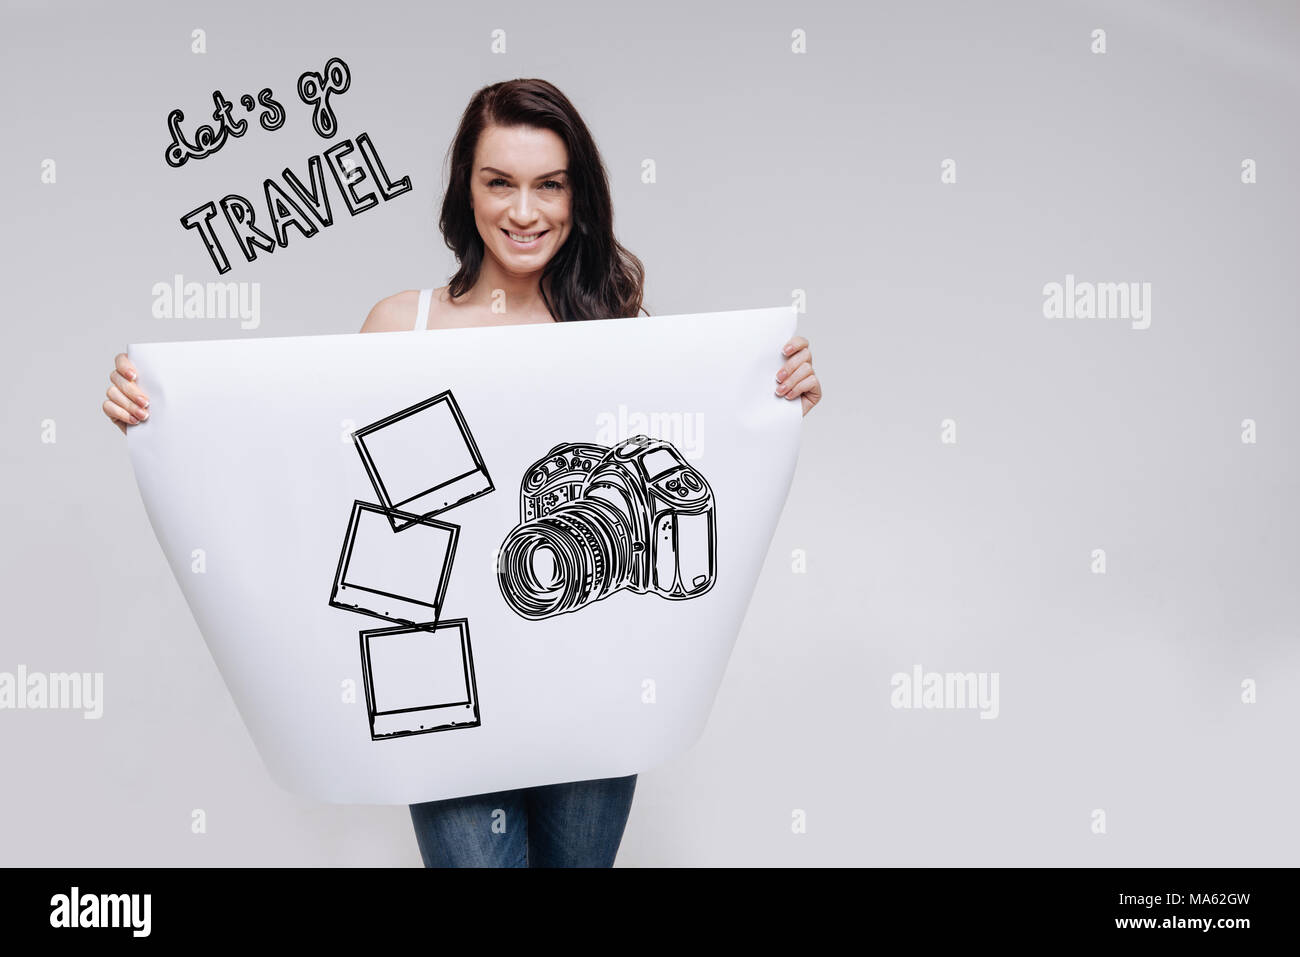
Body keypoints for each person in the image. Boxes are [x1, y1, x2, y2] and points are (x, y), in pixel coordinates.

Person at [103, 78, 822, 866]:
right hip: (444, 685)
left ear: (578, 196)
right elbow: (309, 471)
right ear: (465, 191)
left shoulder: (618, 332)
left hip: (590, 680)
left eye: (550, 185)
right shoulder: (400, 326)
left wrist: (774, 399)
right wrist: (168, 411)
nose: (526, 211)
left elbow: (706, 443)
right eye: (499, 183)